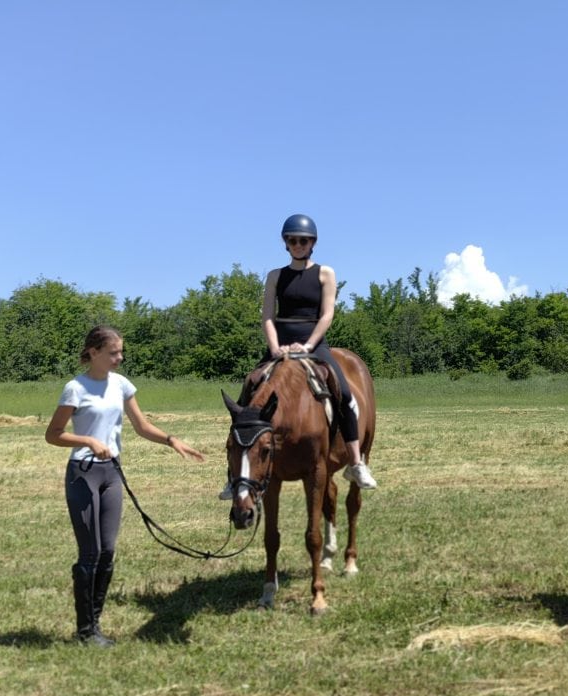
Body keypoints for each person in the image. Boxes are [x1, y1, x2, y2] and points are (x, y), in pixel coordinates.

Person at [45, 325, 204, 646]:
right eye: (113, 352)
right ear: (94, 352)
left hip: (111, 474)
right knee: (89, 553)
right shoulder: (75, 388)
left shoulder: (121, 385)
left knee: (108, 552)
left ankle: (95, 627)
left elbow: (142, 426)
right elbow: (53, 434)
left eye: (121, 351)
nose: (120, 357)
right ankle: (85, 631)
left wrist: (172, 441)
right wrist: (88, 440)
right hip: (83, 473)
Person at [219, 213, 377, 499]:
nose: (298, 245)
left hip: (314, 344)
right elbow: (267, 316)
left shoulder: (325, 274)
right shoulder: (275, 276)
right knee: (249, 390)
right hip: (280, 343)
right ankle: (234, 477)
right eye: (292, 240)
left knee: (343, 390)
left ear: (312, 243)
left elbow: (327, 314)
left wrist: (308, 345)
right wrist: (276, 346)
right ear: (286, 244)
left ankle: (355, 461)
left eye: (303, 240)